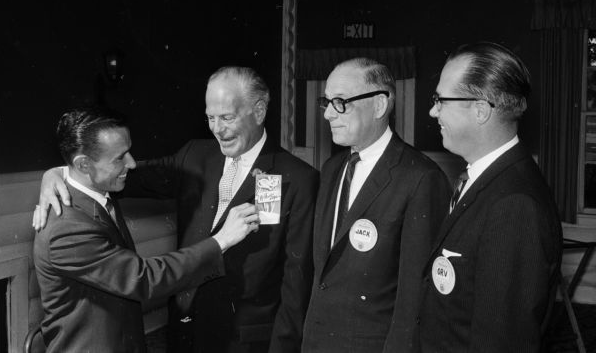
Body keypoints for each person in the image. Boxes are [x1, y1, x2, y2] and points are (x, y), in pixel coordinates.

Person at [34, 66, 319, 353]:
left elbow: (297, 284)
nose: (217, 129)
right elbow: (115, 174)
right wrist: (58, 172)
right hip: (186, 330)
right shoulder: (195, 155)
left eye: (227, 117)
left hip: (245, 340)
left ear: (258, 111)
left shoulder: (298, 179)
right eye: (210, 117)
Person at [33, 107, 259, 353]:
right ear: (84, 165)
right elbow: (145, 279)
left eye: (129, 151)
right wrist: (222, 240)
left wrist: (56, 172)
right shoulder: (67, 229)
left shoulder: (98, 192)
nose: (131, 163)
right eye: (120, 158)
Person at [417, 42, 562, 352]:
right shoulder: (481, 178)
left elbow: (502, 340)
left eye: (441, 100)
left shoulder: (514, 204)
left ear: (480, 110)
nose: (433, 111)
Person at [301, 58, 451, 353]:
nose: (329, 114)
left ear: (380, 105)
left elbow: (414, 298)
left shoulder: (421, 178)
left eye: (340, 102)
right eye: (326, 102)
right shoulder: (332, 169)